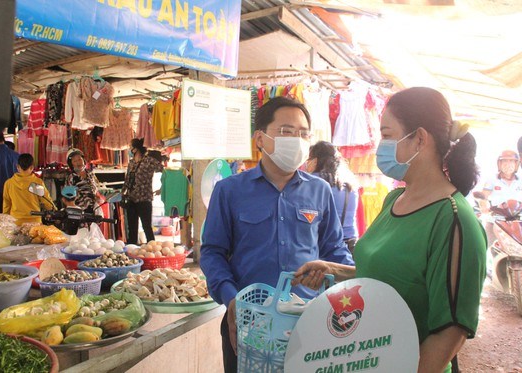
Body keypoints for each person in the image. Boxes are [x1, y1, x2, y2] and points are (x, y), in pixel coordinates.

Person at [293, 87, 487, 373]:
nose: (378, 146)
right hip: (369, 359)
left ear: (419, 138)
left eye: (386, 135)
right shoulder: (395, 200)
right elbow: (385, 275)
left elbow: (451, 331)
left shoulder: (454, 220)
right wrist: (333, 269)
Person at [200, 96, 354, 373]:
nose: (296, 139)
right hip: (248, 320)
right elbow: (212, 252)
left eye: (303, 133)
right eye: (286, 131)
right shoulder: (230, 191)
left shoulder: (319, 190)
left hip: (308, 320)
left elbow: (334, 249)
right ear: (260, 139)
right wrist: (230, 297)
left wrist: (343, 277)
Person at [306, 141, 359, 253]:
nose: (307, 163)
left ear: (315, 161)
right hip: (349, 245)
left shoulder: (311, 182)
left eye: (308, 159)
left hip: (323, 246)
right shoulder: (349, 184)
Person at [121, 138, 164, 244]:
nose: (130, 148)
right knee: (132, 228)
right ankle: (132, 251)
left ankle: (152, 249)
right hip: (131, 198)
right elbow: (127, 180)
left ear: (136, 148)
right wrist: (122, 193)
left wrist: (162, 188)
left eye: (131, 146)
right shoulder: (131, 163)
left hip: (144, 198)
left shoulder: (149, 161)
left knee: (147, 227)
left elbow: (165, 172)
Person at [3, 153, 54, 225]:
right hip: (34, 221)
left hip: (15, 221)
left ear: (17, 167)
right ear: (32, 167)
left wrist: (6, 220)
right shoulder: (36, 183)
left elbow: (7, 205)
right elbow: (46, 201)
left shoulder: (9, 183)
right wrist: (54, 211)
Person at [65, 148, 100, 213]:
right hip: (80, 213)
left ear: (83, 160)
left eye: (79, 159)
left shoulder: (90, 174)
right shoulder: (71, 177)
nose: (78, 162)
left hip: (94, 210)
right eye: (75, 161)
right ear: (71, 164)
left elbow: (96, 190)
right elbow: (68, 199)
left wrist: (98, 200)